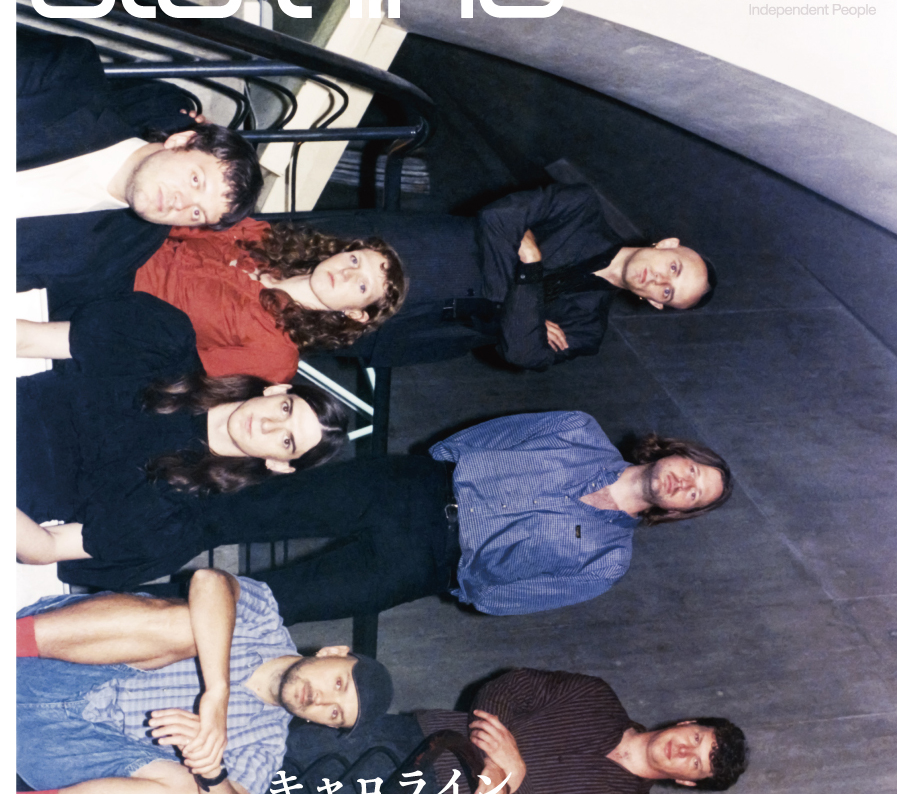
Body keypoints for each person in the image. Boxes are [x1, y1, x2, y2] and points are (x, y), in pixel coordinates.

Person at [31, 408, 732, 614]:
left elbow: (504, 599)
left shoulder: (606, 561)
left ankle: (74, 610)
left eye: (694, 494)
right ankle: (83, 551)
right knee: (227, 515)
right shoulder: (578, 430)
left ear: (680, 512)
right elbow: (472, 440)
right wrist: (436, 479)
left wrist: (455, 567)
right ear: (677, 451)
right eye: (693, 469)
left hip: (421, 564)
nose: (684, 482)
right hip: (407, 488)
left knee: (264, 602)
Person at [15, 570, 394, 794]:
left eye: (334, 715)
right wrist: (217, 693)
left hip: (68, 746)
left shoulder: (264, 744)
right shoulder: (263, 621)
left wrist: (211, 771)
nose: (322, 700)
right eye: (339, 684)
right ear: (332, 652)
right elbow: (209, 582)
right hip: (51, 658)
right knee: (192, 623)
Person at [277, 668, 747, 794]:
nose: (685, 750)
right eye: (696, 738)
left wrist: (515, 780)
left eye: (696, 764)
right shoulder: (597, 697)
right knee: (279, 754)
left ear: (687, 781)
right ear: (687, 722)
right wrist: (497, 761)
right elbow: (509, 687)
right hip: (416, 738)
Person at [15, 296, 349, 577]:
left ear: (279, 464)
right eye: (285, 409)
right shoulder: (163, 344)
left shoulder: (176, 518)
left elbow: (47, 547)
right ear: (277, 390)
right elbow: (26, 339)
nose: (268, 425)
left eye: (287, 441)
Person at [275, 182, 716, 367]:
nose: (659, 280)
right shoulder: (581, 207)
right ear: (667, 245)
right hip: (395, 256)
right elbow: (499, 217)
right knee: (263, 257)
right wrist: (519, 313)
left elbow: (521, 353)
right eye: (673, 268)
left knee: (271, 330)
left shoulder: (586, 329)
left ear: (655, 303)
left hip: (409, 330)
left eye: (668, 291)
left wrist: (529, 269)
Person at [16, 26, 263, 316]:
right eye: (196, 180)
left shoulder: (107, 258)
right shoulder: (66, 74)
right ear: (182, 141)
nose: (181, 204)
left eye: (197, 213)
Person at [16, 221, 409, 383]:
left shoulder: (276, 356)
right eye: (354, 261)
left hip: (105, 316)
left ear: (355, 314)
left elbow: (177, 373)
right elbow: (180, 221)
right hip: (113, 251)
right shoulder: (267, 239)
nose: (347, 273)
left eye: (362, 286)